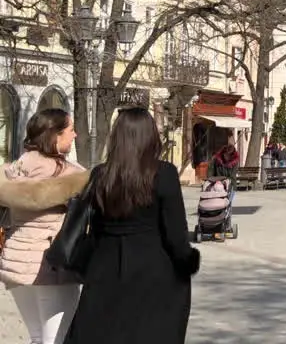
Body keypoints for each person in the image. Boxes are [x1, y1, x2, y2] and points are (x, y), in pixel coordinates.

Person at [64, 107, 200, 344]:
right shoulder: (164, 173)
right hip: (154, 270)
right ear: (150, 137)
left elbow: (95, 229)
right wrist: (187, 261)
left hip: (105, 269)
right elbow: (176, 234)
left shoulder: (100, 175)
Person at [0, 109, 88, 344]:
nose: (76, 135)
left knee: (38, 337)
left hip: (16, 263)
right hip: (50, 264)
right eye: (70, 130)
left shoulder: (16, 169)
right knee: (55, 340)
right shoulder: (68, 177)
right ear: (54, 136)